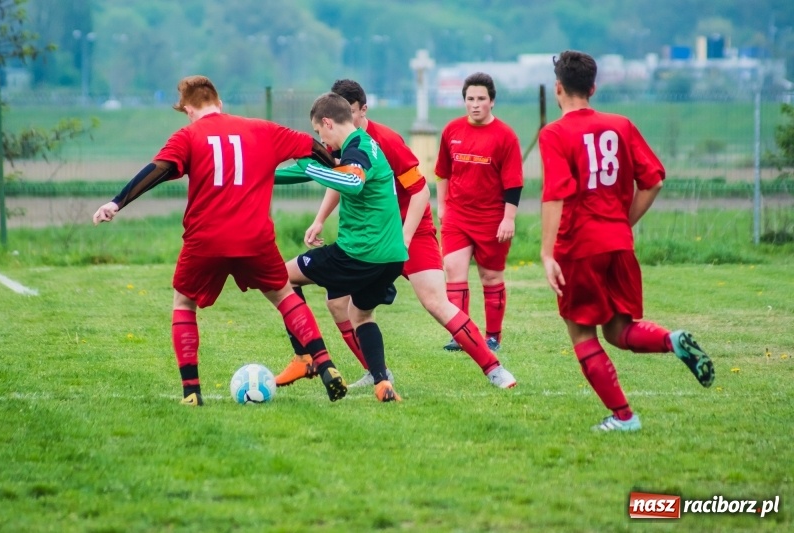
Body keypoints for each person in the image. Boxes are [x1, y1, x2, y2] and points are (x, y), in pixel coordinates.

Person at [92, 75, 349, 406]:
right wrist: (336, 164)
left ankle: (191, 392)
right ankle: (326, 365)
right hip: (254, 238)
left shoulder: (188, 136)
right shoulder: (262, 129)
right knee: (284, 295)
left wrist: (117, 202)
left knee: (184, 304)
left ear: (188, 110)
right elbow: (311, 146)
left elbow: (158, 169)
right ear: (219, 103)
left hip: (206, 240)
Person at [283, 79, 516, 389]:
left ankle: (494, 369)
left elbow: (420, 192)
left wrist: (404, 237)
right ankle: (377, 375)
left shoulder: (385, 141)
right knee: (338, 305)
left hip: (410, 231)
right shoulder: (339, 141)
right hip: (372, 239)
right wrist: (319, 219)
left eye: (350, 111)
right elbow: (342, 179)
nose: (344, 118)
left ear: (363, 110)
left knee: (435, 301)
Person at [538, 51, 715, 432]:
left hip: (579, 245)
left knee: (582, 333)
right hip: (618, 242)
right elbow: (654, 181)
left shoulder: (554, 133)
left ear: (558, 88)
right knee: (619, 331)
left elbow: (554, 194)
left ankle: (624, 417)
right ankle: (671, 340)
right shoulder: (621, 125)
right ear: (593, 88)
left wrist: (546, 252)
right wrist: (622, 222)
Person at [274, 92, 408, 402]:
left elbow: (352, 182)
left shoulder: (357, 149)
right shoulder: (362, 145)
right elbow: (321, 170)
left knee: (282, 277)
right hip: (391, 257)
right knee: (360, 316)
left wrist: (307, 165)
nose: (321, 140)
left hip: (360, 253)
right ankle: (382, 384)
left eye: (318, 132)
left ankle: (304, 358)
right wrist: (261, 174)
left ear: (328, 122)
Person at [435, 72, 524, 354]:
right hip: (457, 216)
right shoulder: (452, 130)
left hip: (492, 219)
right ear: (464, 101)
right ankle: (460, 335)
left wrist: (508, 218)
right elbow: (442, 172)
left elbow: (514, 184)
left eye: (481, 99)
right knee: (453, 270)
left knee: (490, 277)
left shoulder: (505, 136)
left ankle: (493, 337)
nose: (475, 104)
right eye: (470, 99)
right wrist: (442, 206)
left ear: (492, 101)